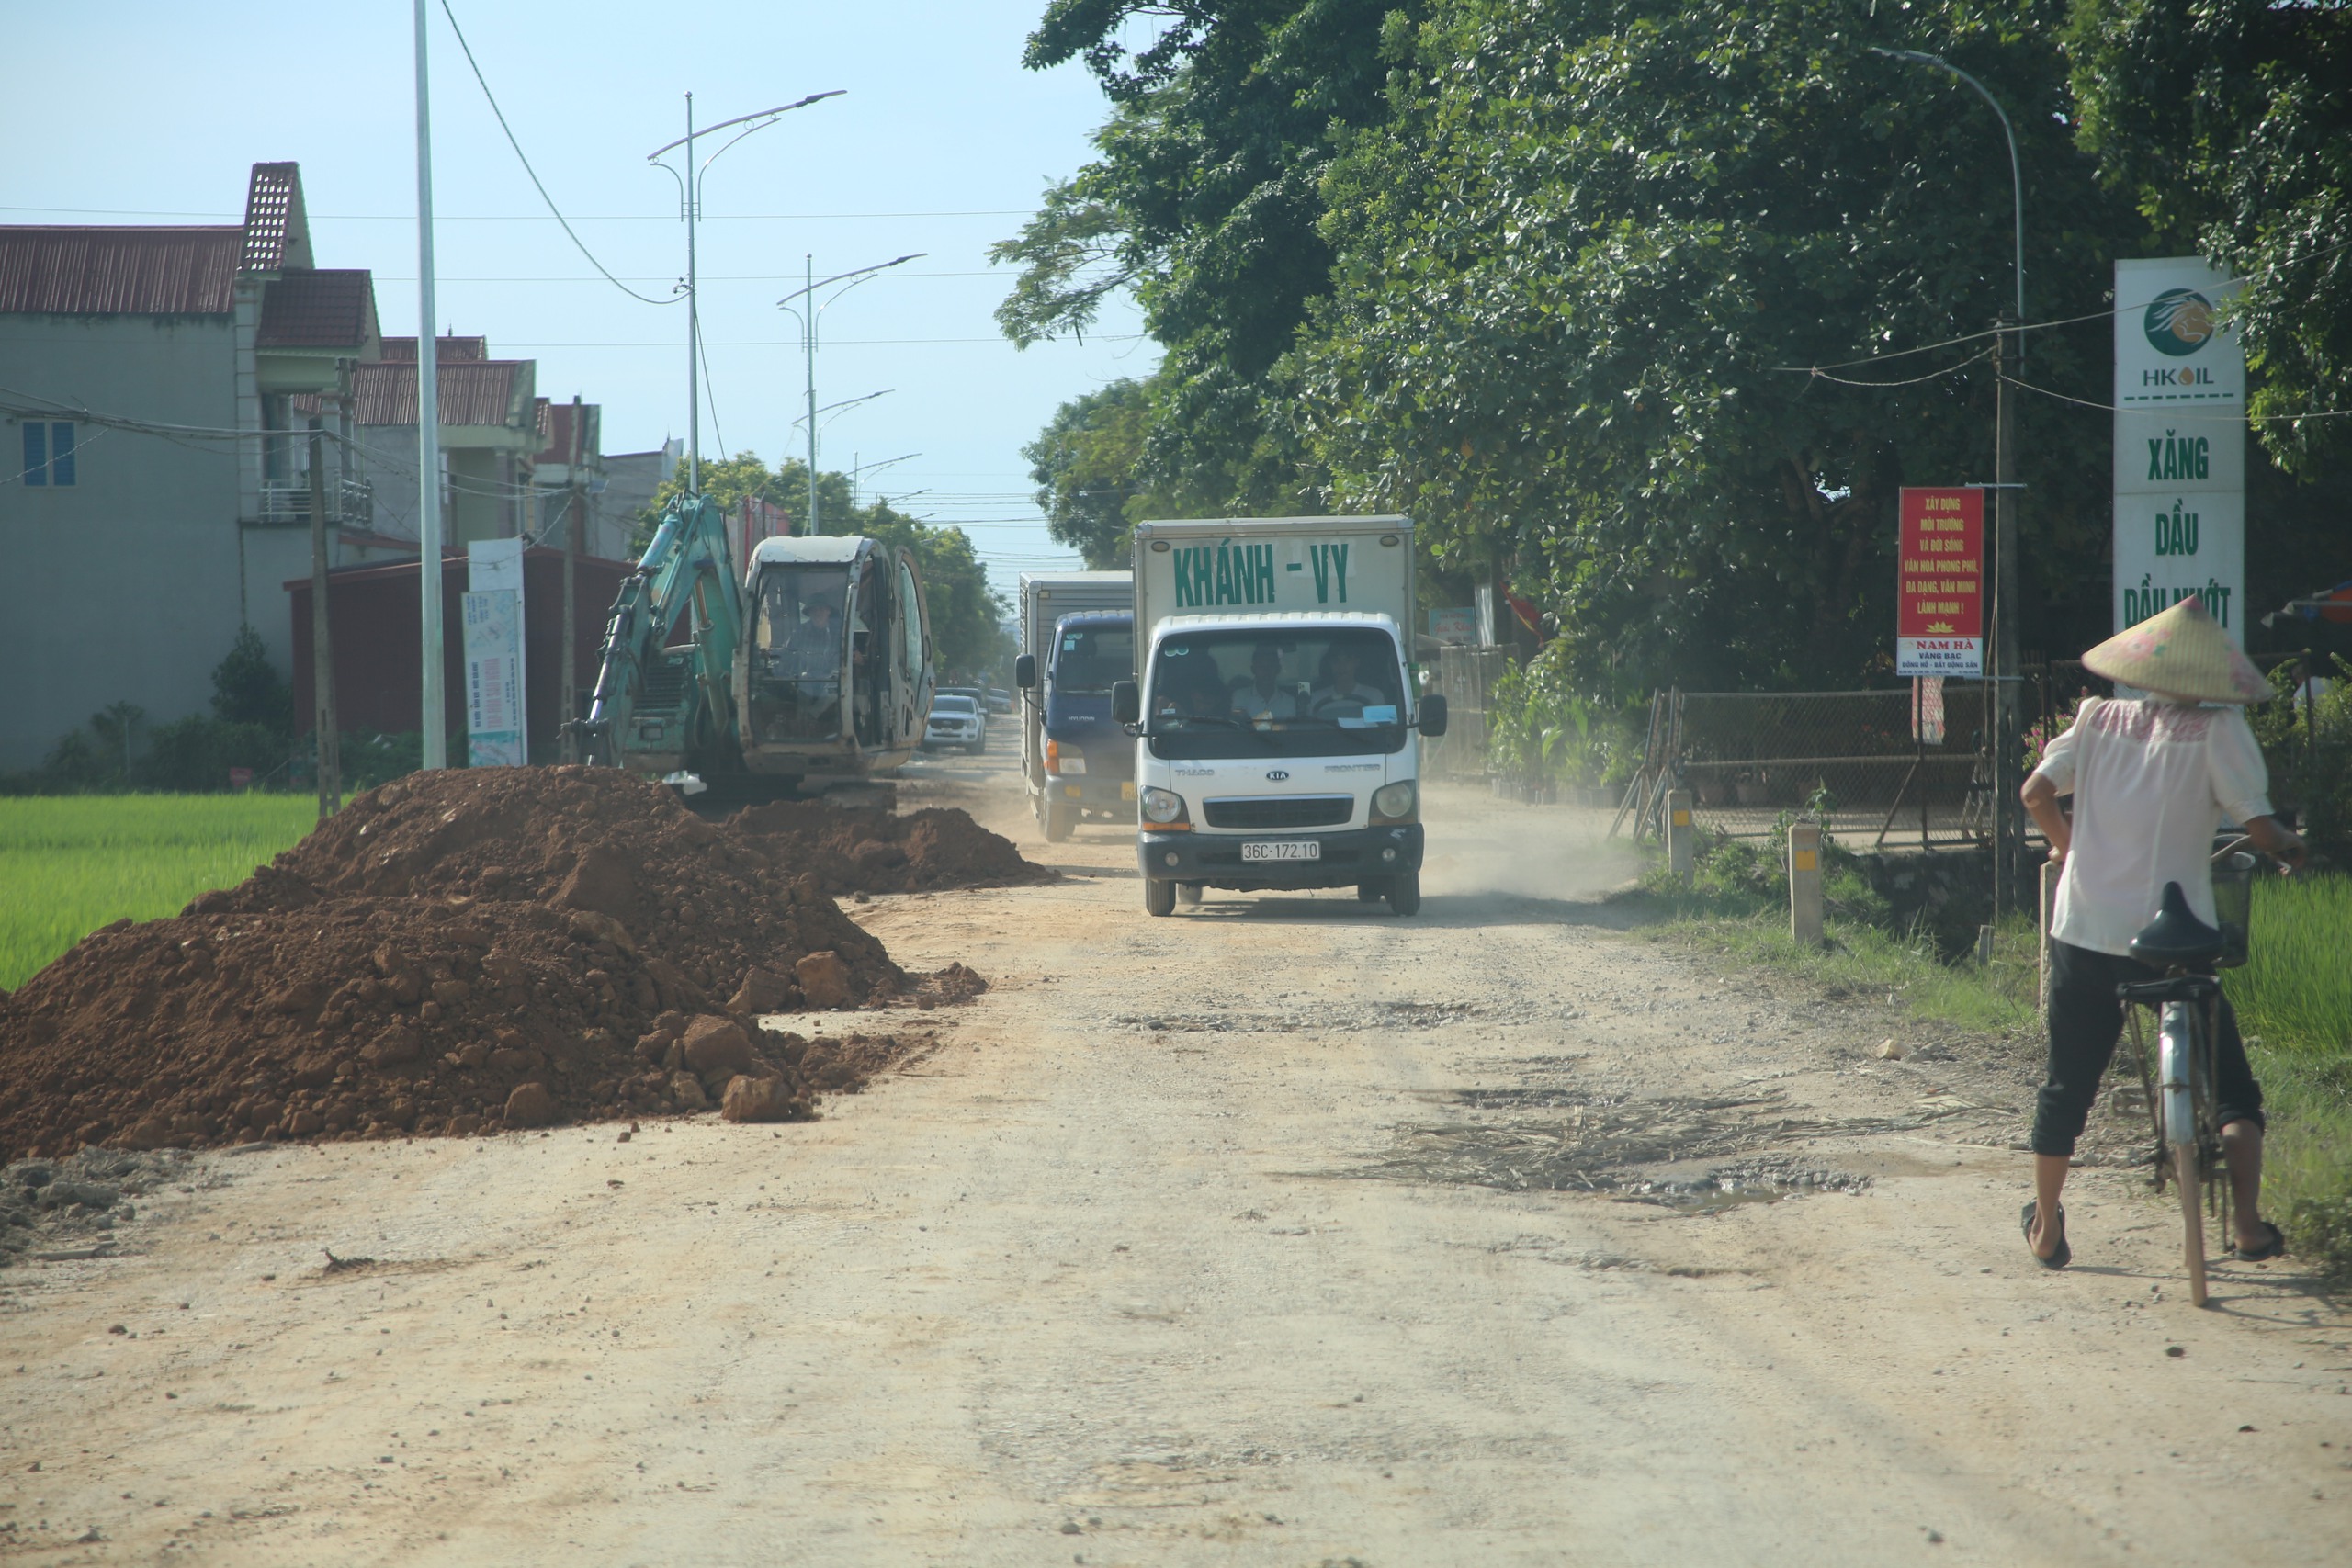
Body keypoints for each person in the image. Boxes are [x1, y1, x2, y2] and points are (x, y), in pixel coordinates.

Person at [2018, 595, 2304, 1269]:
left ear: (2141, 669)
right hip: (2173, 944)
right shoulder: (2219, 729)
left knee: (2067, 1086)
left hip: (2085, 932)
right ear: (2211, 677)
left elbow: (2035, 793)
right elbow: (2259, 827)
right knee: (2232, 1088)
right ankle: (2247, 1227)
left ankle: (2045, 1229)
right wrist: (2290, 846)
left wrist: (2067, 849)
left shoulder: (2095, 718)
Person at [1308, 645, 1385, 719]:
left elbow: (1381, 729)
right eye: (1336, 661)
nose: (1341, 666)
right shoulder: (1316, 698)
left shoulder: (1374, 696)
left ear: (1356, 663)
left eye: (1347, 661)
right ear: (1330, 664)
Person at [1233, 642, 1302, 719]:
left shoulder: (1288, 701)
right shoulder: (1240, 697)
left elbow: (1287, 729)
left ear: (1278, 669)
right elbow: (1237, 727)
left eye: (1271, 666)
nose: (1266, 671)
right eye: (1261, 667)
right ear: (1253, 669)